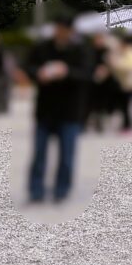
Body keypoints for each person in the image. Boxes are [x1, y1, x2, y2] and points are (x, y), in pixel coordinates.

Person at [27, 14, 93, 203]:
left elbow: (87, 75)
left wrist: (67, 72)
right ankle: (36, 191)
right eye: (58, 29)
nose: (60, 33)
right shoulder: (42, 48)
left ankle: (61, 191)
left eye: (64, 30)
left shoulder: (81, 50)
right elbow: (29, 67)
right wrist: (38, 73)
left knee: (66, 156)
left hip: (70, 111)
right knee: (39, 154)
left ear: (71, 31)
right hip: (45, 109)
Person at [108, 37, 132, 134]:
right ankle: (125, 124)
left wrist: (117, 64)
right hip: (122, 83)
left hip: (129, 83)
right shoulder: (122, 52)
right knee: (124, 106)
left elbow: (130, 66)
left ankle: (128, 125)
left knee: (127, 105)